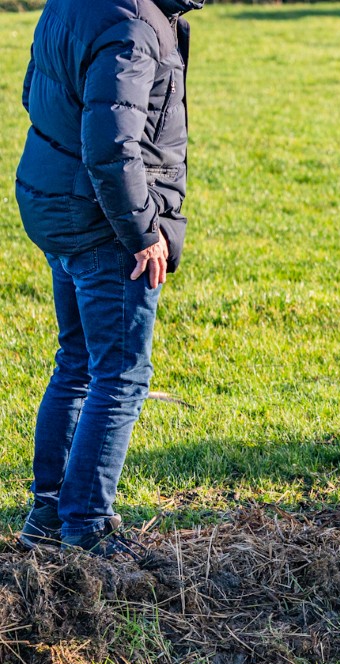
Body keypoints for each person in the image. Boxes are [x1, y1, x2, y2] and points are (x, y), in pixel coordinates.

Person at [14, 0, 203, 556]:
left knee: (75, 362)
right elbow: (113, 147)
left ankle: (48, 514)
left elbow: (36, 92)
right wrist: (144, 230)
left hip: (55, 201)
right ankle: (86, 524)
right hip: (103, 221)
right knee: (120, 374)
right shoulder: (134, 25)